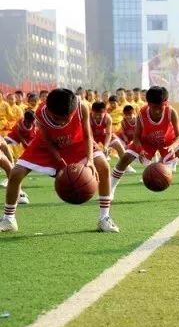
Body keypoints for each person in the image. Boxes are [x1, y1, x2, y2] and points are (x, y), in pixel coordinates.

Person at [0, 89, 118, 233]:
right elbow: (47, 141)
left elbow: (88, 135)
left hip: (77, 142)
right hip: (48, 145)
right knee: (16, 173)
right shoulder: (40, 113)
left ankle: (104, 217)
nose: (61, 122)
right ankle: (9, 219)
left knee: (104, 166)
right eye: (56, 118)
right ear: (48, 110)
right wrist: (59, 161)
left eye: (66, 118)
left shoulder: (82, 107)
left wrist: (90, 161)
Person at [110, 86, 179, 201]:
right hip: (146, 141)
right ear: (148, 103)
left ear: (166, 103)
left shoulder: (171, 112)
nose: (157, 110)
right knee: (125, 158)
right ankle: (110, 190)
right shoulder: (142, 113)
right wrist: (141, 150)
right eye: (154, 107)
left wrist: (173, 147)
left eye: (160, 107)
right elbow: (136, 137)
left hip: (168, 141)